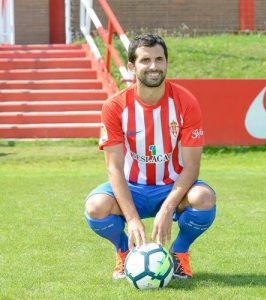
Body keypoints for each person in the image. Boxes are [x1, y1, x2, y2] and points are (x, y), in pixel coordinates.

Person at [85, 33, 216, 280]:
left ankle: (179, 253)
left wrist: (167, 210)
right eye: (146, 60)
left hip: (171, 186)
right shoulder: (114, 107)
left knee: (204, 198)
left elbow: (191, 166)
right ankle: (124, 252)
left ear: (166, 63)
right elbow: (114, 168)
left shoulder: (186, 102)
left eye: (159, 59)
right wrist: (133, 219)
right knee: (95, 207)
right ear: (132, 67)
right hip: (132, 187)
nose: (154, 66)